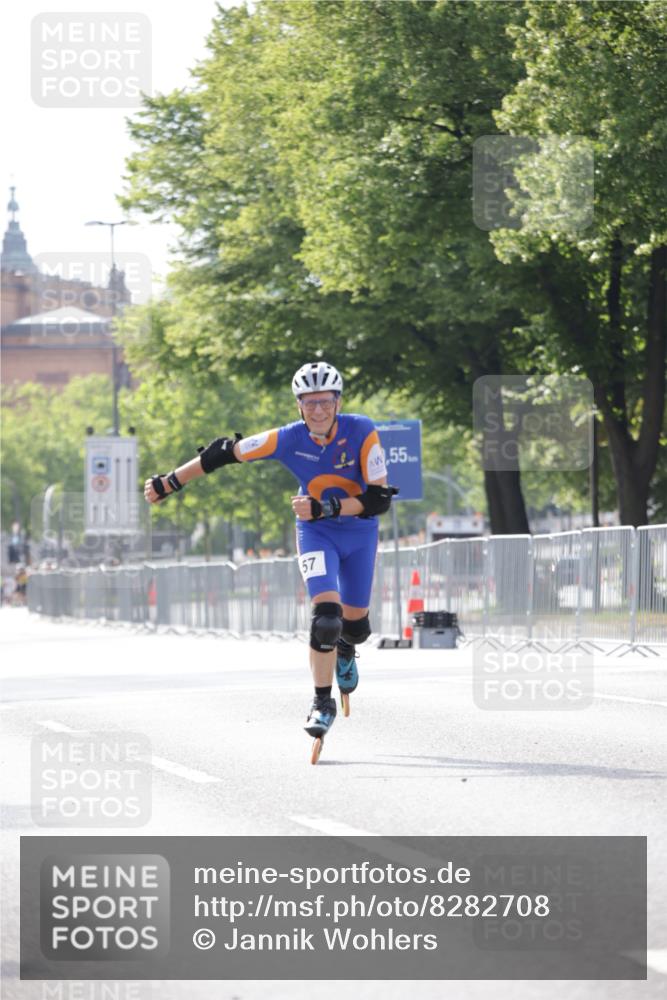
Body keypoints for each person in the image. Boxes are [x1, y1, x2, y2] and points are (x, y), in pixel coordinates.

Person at [144, 361, 397, 742]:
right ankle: (321, 702)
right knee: (326, 617)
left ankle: (347, 646)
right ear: (298, 405)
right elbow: (224, 453)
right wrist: (171, 481)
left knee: (356, 627)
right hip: (316, 534)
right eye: (309, 403)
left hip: (359, 532)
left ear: (338, 402)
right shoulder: (288, 438)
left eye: (325, 402)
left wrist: (326, 507)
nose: (317, 411)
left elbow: (378, 499)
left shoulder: (362, 430)